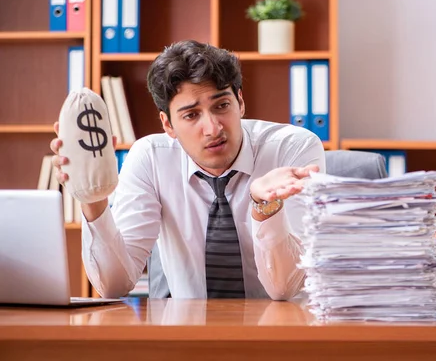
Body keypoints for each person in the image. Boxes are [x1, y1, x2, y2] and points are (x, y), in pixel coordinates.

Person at [50, 40, 326, 300]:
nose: (213, 128)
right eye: (191, 115)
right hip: (188, 334)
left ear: (240, 102)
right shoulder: (150, 158)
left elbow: (286, 288)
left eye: (222, 106)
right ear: (167, 124)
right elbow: (114, 285)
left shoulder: (293, 149)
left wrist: (266, 208)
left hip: (283, 333)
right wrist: (93, 196)